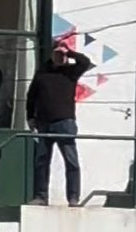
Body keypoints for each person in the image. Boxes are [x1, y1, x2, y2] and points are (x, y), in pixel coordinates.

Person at [26, 39, 92, 207]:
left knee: (71, 161)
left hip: (65, 122)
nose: (59, 57)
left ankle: (73, 197)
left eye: (61, 55)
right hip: (44, 123)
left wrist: (68, 52)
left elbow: (85, 62)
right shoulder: (42, 73)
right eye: (56, 54)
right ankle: (41, 196)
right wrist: (30, 117)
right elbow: (31, 96)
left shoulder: (71, 72)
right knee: (42, 161)